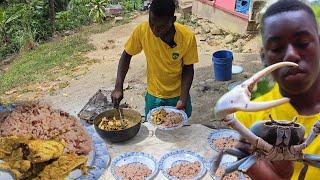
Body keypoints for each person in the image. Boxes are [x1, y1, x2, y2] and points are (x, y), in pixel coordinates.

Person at [235, 0, 320, 179]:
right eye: (276, 48)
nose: (290, 55)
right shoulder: (245, 117)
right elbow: (241, 162)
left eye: (303, 43)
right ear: (264, 57)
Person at [111, 0, 199, 117]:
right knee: (153, 128)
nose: (154, 30)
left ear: (172, 20)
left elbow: (188, 68)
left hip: (178, 94)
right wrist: (118, 87)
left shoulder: (187, 37)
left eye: (160, 27)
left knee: (179, 130)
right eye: (151, 23)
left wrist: (183, 99)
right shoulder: (142, 30)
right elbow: (126, 55)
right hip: (154, 95)